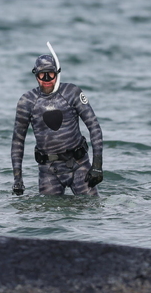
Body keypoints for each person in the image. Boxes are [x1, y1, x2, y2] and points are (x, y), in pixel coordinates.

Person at [11, 44, 103, 196]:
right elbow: (17, 142)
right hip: (48, 171)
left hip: (79, 166)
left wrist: (97, 166)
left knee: (92, 210)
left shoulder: (72, 93)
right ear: (35, 75)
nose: (46, 79)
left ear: (57, 74)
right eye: (42, 75)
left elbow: (94, 127)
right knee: (48, 215)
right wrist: (17, 179)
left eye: (50, 74)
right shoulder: (27, 101)